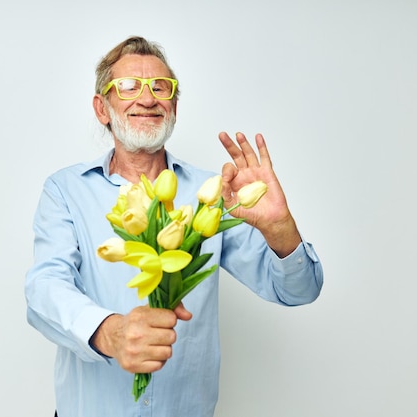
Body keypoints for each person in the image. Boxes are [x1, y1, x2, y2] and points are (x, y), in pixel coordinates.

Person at [25, 36, 323, 417]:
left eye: (160, 88)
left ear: (175, 106)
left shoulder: (214, 195)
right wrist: (110, 332)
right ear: (102, 107)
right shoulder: (65, 190)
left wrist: (280, 228)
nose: (147, 99)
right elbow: (44, 288)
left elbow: (299, 291)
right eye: (128, 87)